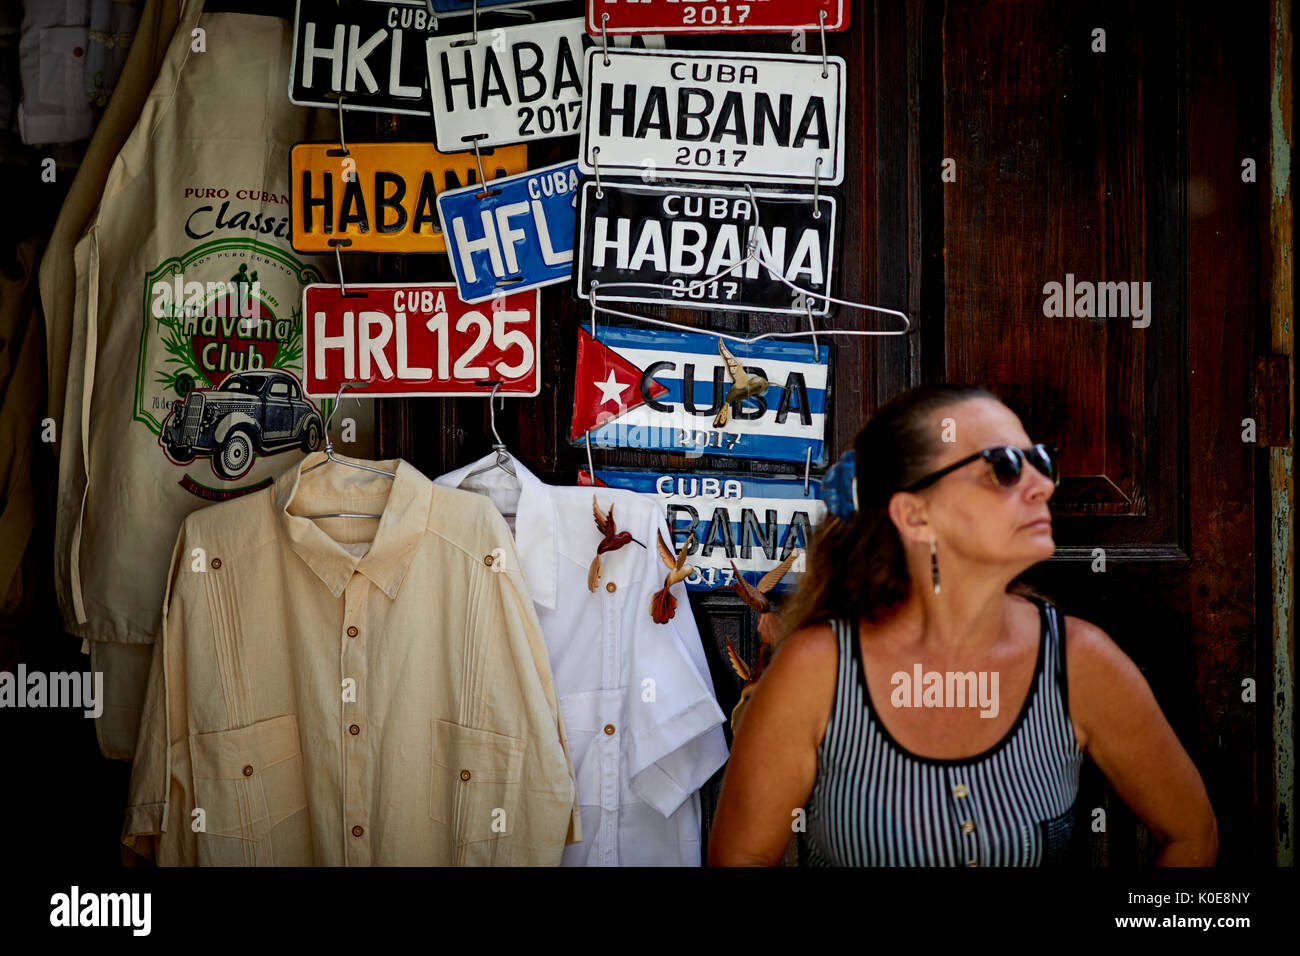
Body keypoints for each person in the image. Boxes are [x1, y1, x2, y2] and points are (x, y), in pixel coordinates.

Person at [708, 384, 1217, 866]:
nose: (1043, 485)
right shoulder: (819, 671)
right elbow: (741, 857)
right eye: (1004, 466)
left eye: (1041, 461)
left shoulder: (1078, 662)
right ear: (915, 516)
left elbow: (1191, 833)